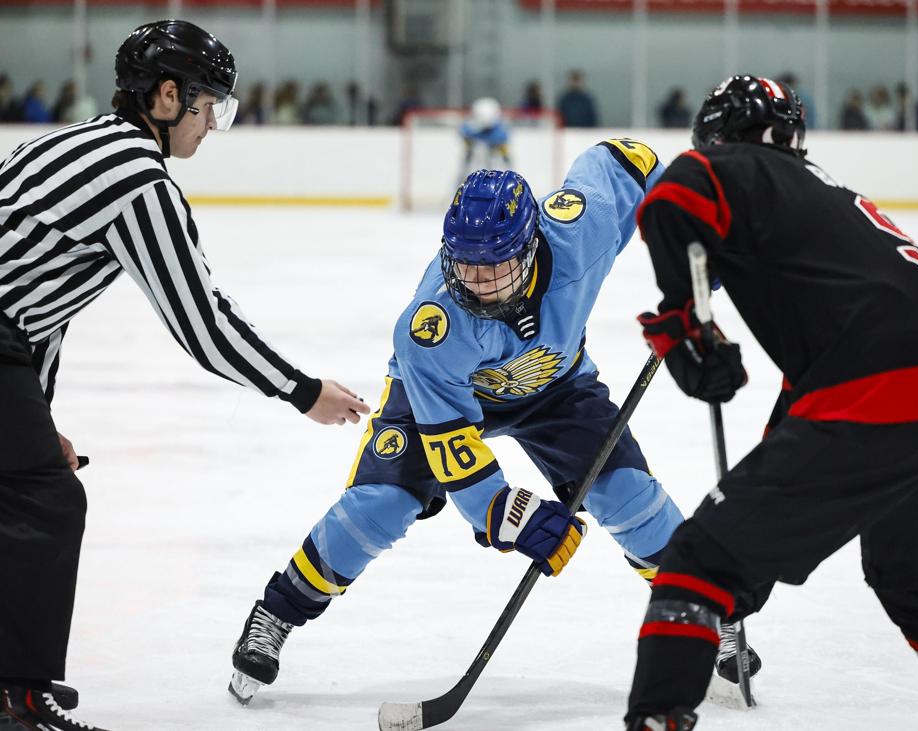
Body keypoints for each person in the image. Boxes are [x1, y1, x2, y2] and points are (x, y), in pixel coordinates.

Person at [227, 139, 760, 704]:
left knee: (628, 494)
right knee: (380, 504)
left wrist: (693, 236)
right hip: (441, 397)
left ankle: (707, 610)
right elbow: (451, 443)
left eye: (495, 265)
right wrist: (505, 513)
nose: (477, 280)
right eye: (466, 264)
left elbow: (629, 160)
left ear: (530, 248)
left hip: (556, 386)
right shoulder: (429, 328)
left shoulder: (582, 229)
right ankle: (275, 615)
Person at [0, 19, 370, 731]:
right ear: (167, 97)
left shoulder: (70, 143)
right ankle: (16, 697)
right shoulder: (138, 181)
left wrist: (35, 422)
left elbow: (31, 308)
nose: (212, 126)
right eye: (210, 107)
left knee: (23, 486)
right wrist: (302, 391)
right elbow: (202, 323)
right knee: (45, 502)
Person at [624, 74, 918, 731]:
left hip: (880, 390)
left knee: (696, 559)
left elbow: (673, 195)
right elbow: (807, 411)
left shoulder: (734, 166)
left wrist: (685, 325)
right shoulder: (829, 204)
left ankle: (655, 718)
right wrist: (750, 554)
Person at [458, 97, 511, 182]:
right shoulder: (469, 128)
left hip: (494, 154)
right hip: (475, 156)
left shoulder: (500, 132)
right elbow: (465, 135)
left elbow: (505, 158)